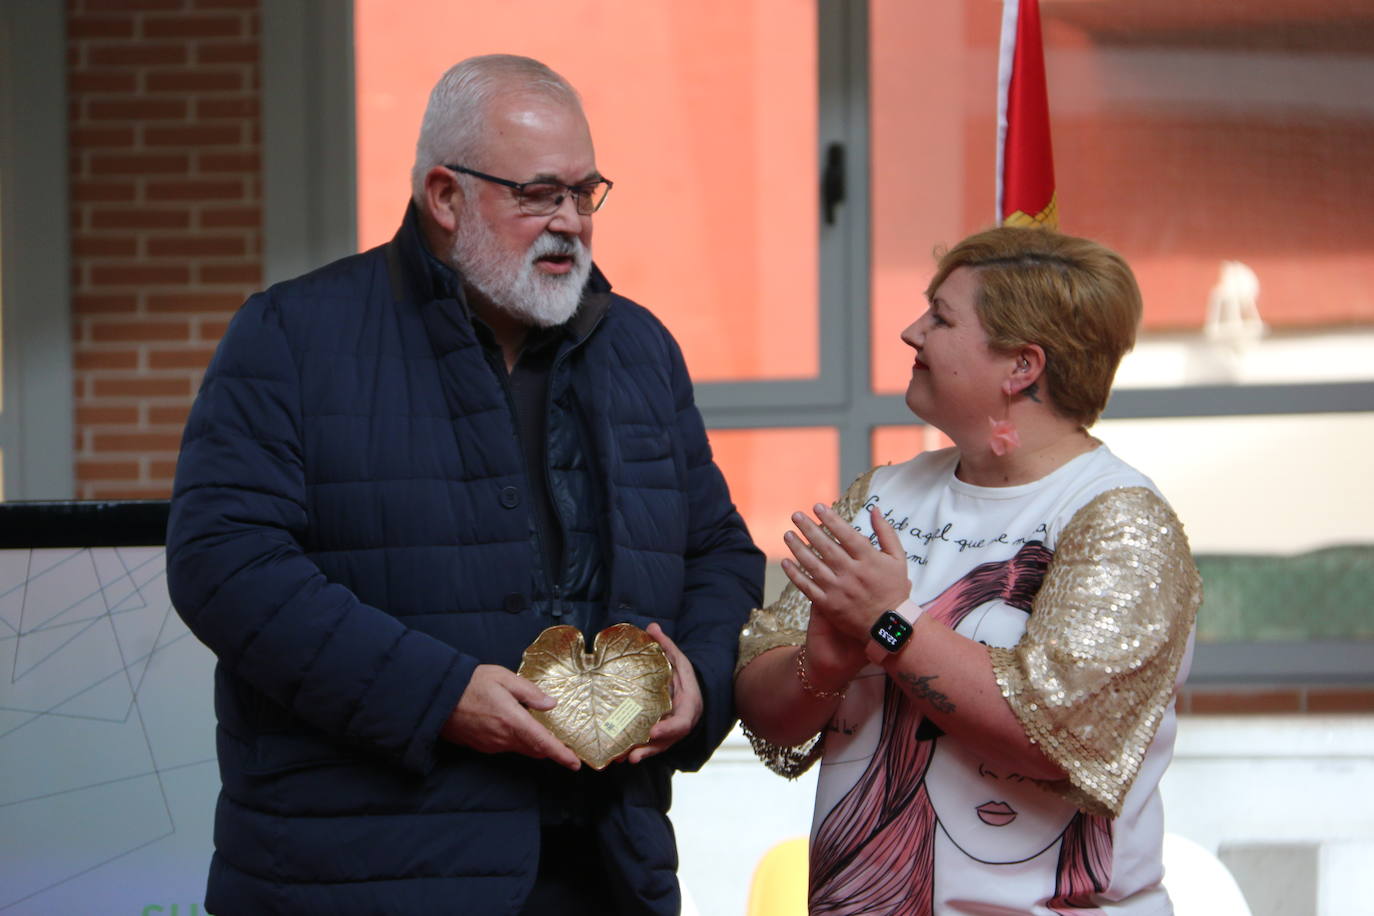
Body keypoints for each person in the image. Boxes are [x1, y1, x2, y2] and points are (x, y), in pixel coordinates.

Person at [166, 54, 763, 915]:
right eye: (538, 194)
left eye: (584, 194)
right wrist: (438, 696)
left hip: (608, 870)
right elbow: (224, 566)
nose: (570, 223)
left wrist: (700, 682)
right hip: (360, 877)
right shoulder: (292, 335)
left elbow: (718, 553)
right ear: (444, 197)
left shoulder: (639, 348)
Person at [734, 226, 1201, 914]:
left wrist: (888, 627)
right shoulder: (884, 495)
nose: (910, 333)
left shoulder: (1119, 519)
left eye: (941, 318)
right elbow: (767, 711)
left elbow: (1060, 737)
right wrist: (823, 666)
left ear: (1021, 367)